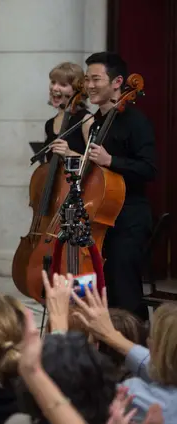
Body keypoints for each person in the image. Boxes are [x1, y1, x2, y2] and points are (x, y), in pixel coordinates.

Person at [84, 51, 156, 319]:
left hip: (129, 220)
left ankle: (134, 353)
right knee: (104, 292)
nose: (89, 85)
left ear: (117, 83)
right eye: (86, 79)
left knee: (125, 293)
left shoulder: (136, 122)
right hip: (101, 219)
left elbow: (149, 168)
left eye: (96, 79)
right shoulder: (96, 123)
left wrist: (110, 159)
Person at [45, 62, 93, 160]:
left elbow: (95, 165)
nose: (54, 88)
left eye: (63, 84)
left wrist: (68, 153)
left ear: (77, 89)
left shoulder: (86, 120)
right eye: (53, 82)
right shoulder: (49, 124)